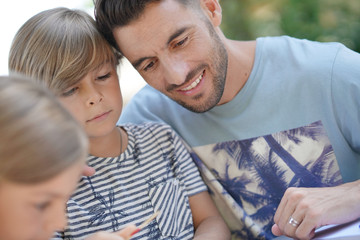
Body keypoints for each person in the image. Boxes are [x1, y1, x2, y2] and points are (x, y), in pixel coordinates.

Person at [94, 0, 360, 239]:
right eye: (149, 64)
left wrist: (352, 196)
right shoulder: (144, 123)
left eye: (180, 42)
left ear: (211, 8)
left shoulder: (331, 73)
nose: (176, 76)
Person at [9, 7, 230, 240]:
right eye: (70, 89)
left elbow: (210, 221)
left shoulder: (162, 140)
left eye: (103, 76)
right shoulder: (46, 185)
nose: (93, 96)